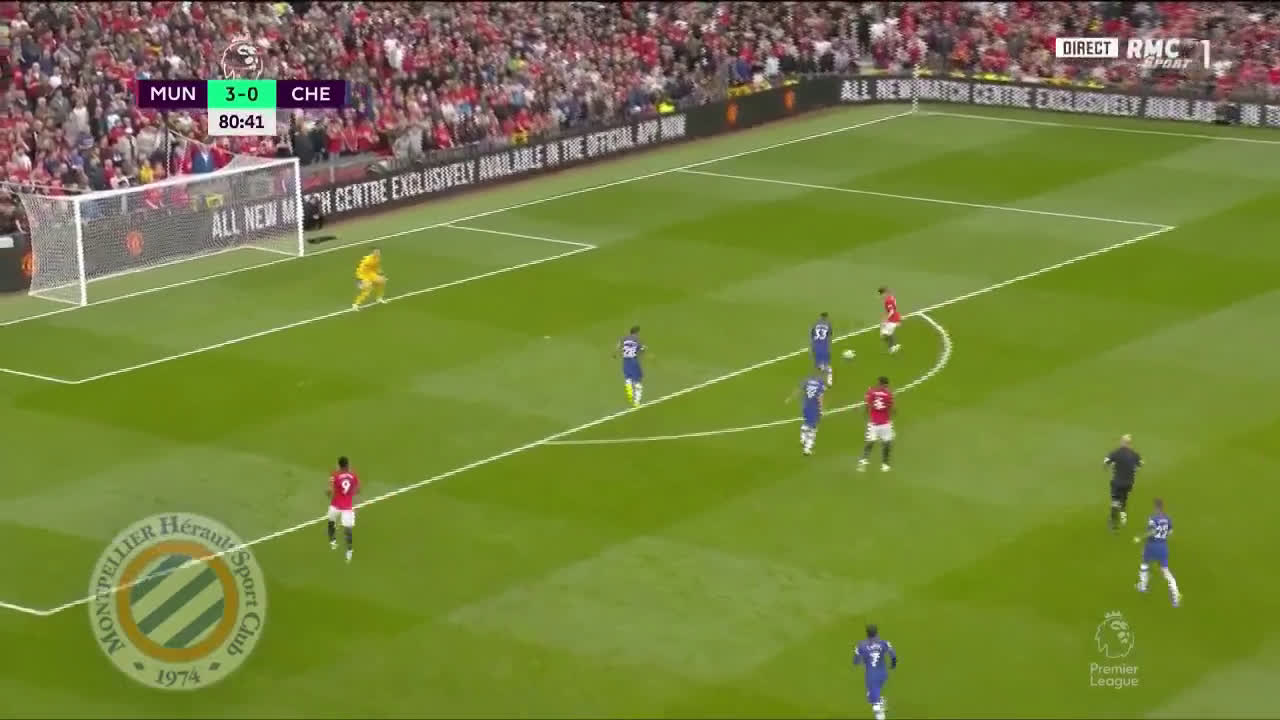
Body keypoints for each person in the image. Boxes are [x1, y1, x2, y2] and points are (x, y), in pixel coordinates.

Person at [1135, 497, 1180, 607]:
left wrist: (1140, 537)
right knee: (1165, 570)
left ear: (1155, 507)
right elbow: (1170, 532)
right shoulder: (1168, 518)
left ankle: (1143, 586)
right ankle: (1175, 594)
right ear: (1162, 507)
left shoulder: (1153, 518)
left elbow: (1152, 531)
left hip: (1152, 545)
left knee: (1144, 563)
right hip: (1163, 546)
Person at [853, 623, 898, 720]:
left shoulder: (861, 645)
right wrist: (893, 664)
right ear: (877, 633)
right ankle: (880, 701)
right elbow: (893, 656)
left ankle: (880, 708)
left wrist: (860, 662)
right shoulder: (884, 643)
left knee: (875, 705)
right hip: (883, 674)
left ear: (867, 633)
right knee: (872, 696)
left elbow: (856, 661)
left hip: (871, 677)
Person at [1104, 434, 1142, 531]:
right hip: (1129, 483)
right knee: (1124, 498)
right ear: (1130, 443)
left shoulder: (1116, 452)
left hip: (1118, 482)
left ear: (1122, 442)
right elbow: (1140, 465)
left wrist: (1109, 466)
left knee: (1115, 501)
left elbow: (1106, 461)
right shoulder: (1134, 454)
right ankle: (1123, 516)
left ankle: (1114, 523)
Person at [327, 456, 360, 563]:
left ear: (339, 465)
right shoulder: (353, 475)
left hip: (335, 505)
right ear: (347, 465)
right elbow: (357, 490)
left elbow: (330, 492)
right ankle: (349, 550)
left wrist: (328, 492)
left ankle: (332, 541)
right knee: (348, 530)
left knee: (331, 522)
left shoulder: (334, 475)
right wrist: (356, 504)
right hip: (347, 507)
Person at [617, 325, 646, 407]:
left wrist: (615, 354)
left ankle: (629, 390)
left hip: (625, 361)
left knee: (628, 378)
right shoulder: (637, 339)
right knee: (638, 381)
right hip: (633, 361)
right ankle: (637, 401)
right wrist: (643, 349)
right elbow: (641, 350)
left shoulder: (624, 338)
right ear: (636, 332)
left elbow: (618, 346)